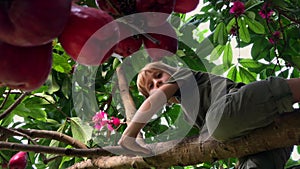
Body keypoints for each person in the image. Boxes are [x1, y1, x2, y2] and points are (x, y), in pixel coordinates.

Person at [118, 61, 300, 168]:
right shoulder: (189, 114)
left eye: (159, 76)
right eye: (151, 86)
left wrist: (129, 134)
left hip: (246, 104)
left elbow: (156, 99)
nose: (157, 83)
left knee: (217, 123)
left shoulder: (184, 75)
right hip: (263, 135)